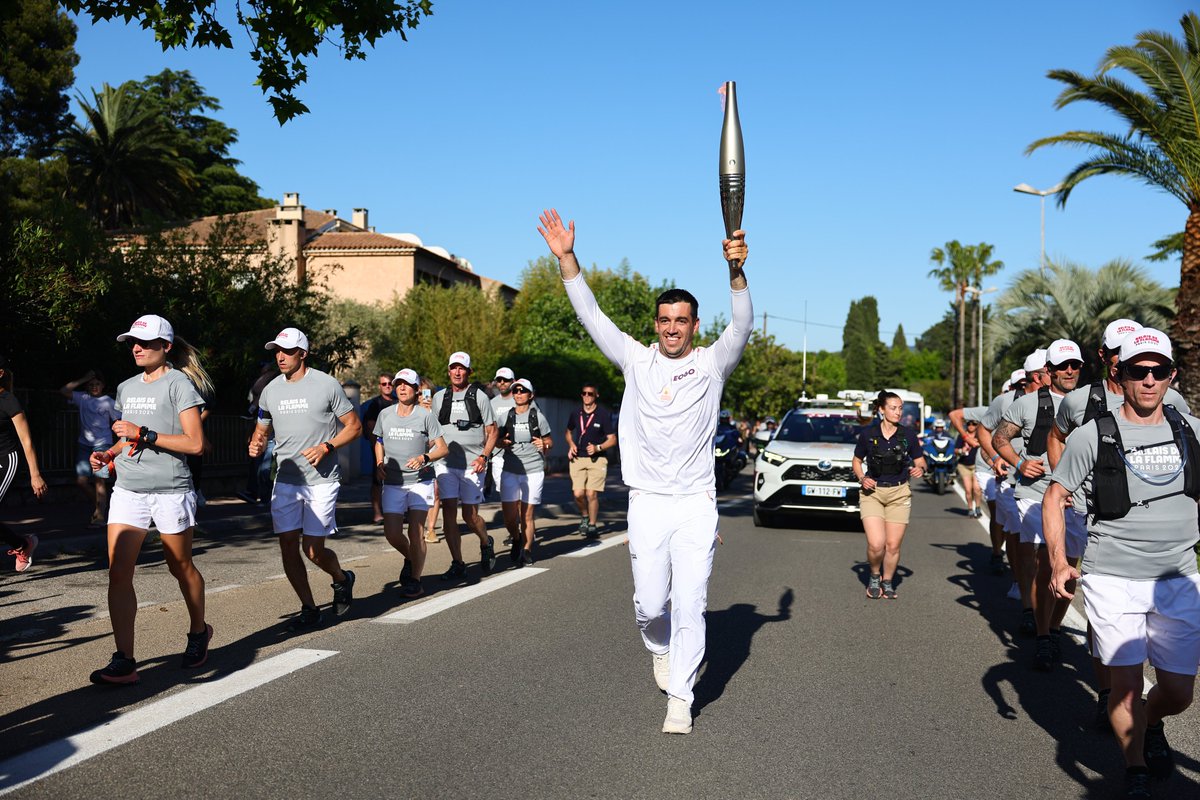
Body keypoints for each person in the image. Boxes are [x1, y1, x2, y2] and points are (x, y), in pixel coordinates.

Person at [538, 207, 752, 735]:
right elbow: (592, 316)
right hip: (648, 501)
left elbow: (743, 323)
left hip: (696, 502)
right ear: (655, 325)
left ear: (695, 326)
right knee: (650, 603)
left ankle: (681, 697)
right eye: (665, 321)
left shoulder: (712, 364)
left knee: (693, 600)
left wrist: (736, 271)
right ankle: (659, 647)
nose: (673, 329)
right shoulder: (635, 359)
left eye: (682, 321)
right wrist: (568, 259)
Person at [1044, 329, 1200, 798]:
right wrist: (1057, 562)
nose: (1150, 380)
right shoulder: (1093, 433)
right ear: (1120, 373)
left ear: (1172, 376)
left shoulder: (1191, 429)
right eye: (1139, 370)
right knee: (1126, 686)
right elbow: (1055, 496)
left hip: (1178, 576)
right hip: (1112, 576)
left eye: (1159, 371)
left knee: (1178, 692)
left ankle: (1151, 724)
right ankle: (1133, 770)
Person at [88, 315, 212, 684]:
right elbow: (129, 438)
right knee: (118, 572)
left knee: (180, 567)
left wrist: (143, 433)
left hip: (171, 490)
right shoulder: (126, 387)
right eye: (132, 342)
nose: (136, 348)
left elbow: (195, 443)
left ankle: (198, 631)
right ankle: (124, 659)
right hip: (128, 489)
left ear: (166, 347)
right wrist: (110, 454)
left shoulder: (179, 385)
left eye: (144, 342)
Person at [249, 327, 362, 629]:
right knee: (287, 544)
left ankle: (341, 578)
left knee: (312, 549)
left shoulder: (326, 384)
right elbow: (262, 428)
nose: (280, 356)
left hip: (321, 480)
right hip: (285, 479)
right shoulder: (271, 389)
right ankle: (309, 607)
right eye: (277, 350)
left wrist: (327, 446)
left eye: (286, 350)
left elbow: (353, 427)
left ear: (303, 353)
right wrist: (257, 442)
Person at [993, 339, 1084, 671]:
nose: (1070, 371)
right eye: (1063, 366)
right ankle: (1044, 635)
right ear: (1049, 371)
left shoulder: (1092, 402)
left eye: (1075, 365)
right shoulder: (1028, 403)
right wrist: (1019, 464)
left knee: (1069, 567)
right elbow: (998, 438)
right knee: (1048, 562)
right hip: (1036, 493)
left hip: (1076, 498)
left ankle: (1055, 628)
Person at [981, 352, 1048, 630]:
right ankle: (1026, 602)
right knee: (1022, 542)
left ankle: (1038, 600)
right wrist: (998, 459)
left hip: (1051, 485)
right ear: (1036, 375)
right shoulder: (1006, 401)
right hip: (1013, 481)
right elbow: (985, 432)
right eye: (1051, 369)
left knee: (1043, 550)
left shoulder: (1065, 402)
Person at [373, 369, 449, 599]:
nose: (402, 387)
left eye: (407, 384)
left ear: (417, 390)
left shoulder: (425, 416)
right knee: (392, 534)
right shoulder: (385, 414)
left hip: (420, 481)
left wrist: (424, 458)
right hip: (393, 482)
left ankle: (415, 580)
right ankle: (410, 557)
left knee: (416, 532)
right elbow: (378, 441)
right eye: (399, 384)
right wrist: (379, 462)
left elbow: (443, 448)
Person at [851, 390, 927, 600]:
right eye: (893, 408)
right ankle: (874, 575)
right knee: (876, 544)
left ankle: (888, 580)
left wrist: (920, 468)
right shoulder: (868, 434)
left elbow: (920, 461)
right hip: (872, 492)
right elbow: (856, 461)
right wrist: (861, 478)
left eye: (900, 408)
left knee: (892, 545)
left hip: (899, 493)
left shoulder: (908, 435)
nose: (898, 412)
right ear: (882, 410)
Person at [430, 351, 499, 581]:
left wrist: (484, 457)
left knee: (470, 516)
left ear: (469, 371)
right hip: (446, 464)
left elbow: (492, 431)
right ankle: (457, 562)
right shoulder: (440, 398)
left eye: (462, 368)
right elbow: (432, 432)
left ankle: (485, 541)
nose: (457, 372)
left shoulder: (479, 397)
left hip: (473, 465)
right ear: (448, 371)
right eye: (453, 368)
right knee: (448, 512)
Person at [497, 378, 553, 566]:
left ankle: (527, 549)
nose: (518, 394)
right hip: (510, 469)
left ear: (531, 395)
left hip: (533, 469)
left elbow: (549, 441)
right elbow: (494, 439)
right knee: (509, 516)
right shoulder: (505, 416)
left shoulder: (537, 416)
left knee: (526, 514)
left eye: (522, 391)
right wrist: (501, 443)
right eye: (516, 391)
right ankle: (517, 537)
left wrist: (543, 444)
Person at [0, 354, 47, 572]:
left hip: (5, 459)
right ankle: (22, 544)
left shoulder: (8, 400)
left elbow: (26, 440)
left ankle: (22, 544)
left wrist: (34, 474)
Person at [60, 369, 118, 526]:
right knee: (81, 481)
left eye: (97, 384)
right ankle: (102, 505)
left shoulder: (108, 402)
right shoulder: (83, 398)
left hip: (102, 444)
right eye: (91, 384)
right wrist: (83, 378)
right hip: (84, 444)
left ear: (103, 385)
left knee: (99, 480)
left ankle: (100, 516)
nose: (94, 387)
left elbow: (118, 420)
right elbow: (64, 390)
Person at [564, 381, 616, 539]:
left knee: (591, 494)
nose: (587, 396)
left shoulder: (603, 414)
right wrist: (571, 444)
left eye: (590, 394)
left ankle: (592, 525)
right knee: (578, 494)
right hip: (578, 458)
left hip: (597, 459)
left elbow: (612, 439)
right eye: (584, 393)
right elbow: (568, 432)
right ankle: (585, 516)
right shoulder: (576, 413)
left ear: (596, 396)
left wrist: (598, 448)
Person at [361, 372, 397, 523]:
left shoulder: (399, 402)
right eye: (384, 384)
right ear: (379, 386)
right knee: (377, 480)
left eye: (390, 383)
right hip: (381, 447)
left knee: (399, 479)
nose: (387, 386)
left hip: (398, 447)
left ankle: (399, 511)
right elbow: (370, 427)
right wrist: (376, 446)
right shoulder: (375, 404)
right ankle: (377, 513)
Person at [238, 361, 275, 505]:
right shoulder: (263, 383)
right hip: (261, 431)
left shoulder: (271, 382)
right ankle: (255, 493)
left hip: (273, 435)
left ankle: (266, 498)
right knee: (258, 465)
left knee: (265, 468)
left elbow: (259, 395)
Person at [418, 375, 442, 544]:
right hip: (415, 456)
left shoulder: (435, 411)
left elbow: (441, 434)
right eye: (419, 393)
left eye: (425, 393)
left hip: (435, 454)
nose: (422, 396)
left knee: (435, 491)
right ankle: (417, 528)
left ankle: (431, 529)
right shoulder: (407, 411)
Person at [489, 367, 517, 504]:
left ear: (513, 381)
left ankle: (521, 522)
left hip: (519, 455)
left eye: (505, 380)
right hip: (498, 455)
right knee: (506, 495)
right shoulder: (492, 403)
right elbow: (487, 428)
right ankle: (513, 523)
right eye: (499, 380)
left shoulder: (521, 399)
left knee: (519, 495)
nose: (502, 383)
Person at [955, 420, 982, 518]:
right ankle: (970, 508)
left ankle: (978, 507)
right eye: (969, 424)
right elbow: (955, 450)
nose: (971, 426)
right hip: (964, 465)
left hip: (976, 466)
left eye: (974, 424)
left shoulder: (980, 436)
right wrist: (961, 450)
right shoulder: (962, 436)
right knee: (968, 489)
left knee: (977, 489)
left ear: (977, 426)